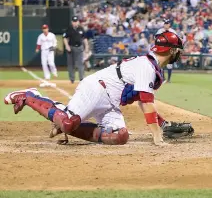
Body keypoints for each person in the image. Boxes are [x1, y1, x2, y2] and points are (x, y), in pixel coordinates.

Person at [4, 31, 191, 146]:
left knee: (120, 137)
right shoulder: (147, 67)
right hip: (97, 88)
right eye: (178, 51)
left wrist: (161, 124)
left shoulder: (151, 67)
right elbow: (147, 103)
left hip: (111, 103)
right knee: (69, 122)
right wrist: (157, 137)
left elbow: (143, 102)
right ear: (172, 50)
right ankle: (29, 96)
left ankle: (64, 126)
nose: (179, 54)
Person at [63, 16, 89, 84]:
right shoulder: (69, 29)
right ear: (72, 22)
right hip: (71, 48)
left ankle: (82, 79)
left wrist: (86, 47)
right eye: (74, 21)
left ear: (78, 22)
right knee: (70, 64)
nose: (75, 23)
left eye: (76, 21)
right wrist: (67, 46)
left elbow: (85, 38)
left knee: (80, 64)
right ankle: (72, 79)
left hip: (79, 48)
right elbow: (65, 38)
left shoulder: (81, 29)